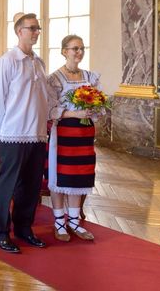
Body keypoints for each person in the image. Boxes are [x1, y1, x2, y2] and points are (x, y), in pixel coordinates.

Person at [0, 12, 51, 253]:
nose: (36, 32)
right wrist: (5, 126)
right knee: (8, 185)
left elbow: (43, 98)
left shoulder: (39, 62)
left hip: (36, 134)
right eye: (31, 28)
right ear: (19, 31)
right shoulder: (7, 61)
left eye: (38, 29)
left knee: (31, 186)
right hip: (12, 134)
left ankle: (24, 229)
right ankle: (0, 233)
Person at [47, 35, 99, 242]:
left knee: (79, 176)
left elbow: (97, 105)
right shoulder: (55, 78)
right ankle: (59, 223)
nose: (78, 52)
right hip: (63, 133)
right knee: (61, 177)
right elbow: (49, 109)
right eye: (74, 48)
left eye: (81, 48)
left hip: (85, 134)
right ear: (64, 51)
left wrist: (96, 109)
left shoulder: (90, 76)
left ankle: (75, 222)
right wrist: (74, 114)